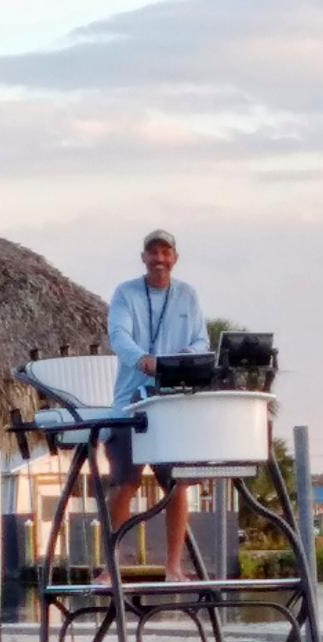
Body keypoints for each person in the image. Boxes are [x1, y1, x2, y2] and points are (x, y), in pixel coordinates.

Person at [104, 229, 210, 582]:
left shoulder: (188, 295)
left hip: (173, 402)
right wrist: (141, 360)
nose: (159, 259)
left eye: (166, 253)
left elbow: (201, 339)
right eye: (153, 253)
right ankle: (112, 563)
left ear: (175, 257)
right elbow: (119, 335)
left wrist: (186, 357)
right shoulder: (125, 293)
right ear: (144, 258)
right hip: (130, 403)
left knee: (177, 484)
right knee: (125, 483)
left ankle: (174, 566)